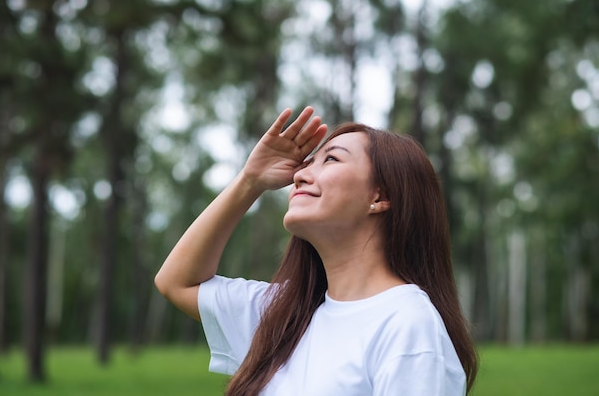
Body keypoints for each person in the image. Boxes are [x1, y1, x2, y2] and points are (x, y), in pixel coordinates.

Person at [155, 106, 478, 396]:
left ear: (380, 196)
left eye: (331, 159)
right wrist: (249, 181)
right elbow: (177, 282)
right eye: (307, 164)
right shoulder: (282, 315)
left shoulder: (407, 325)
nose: (298, 175)